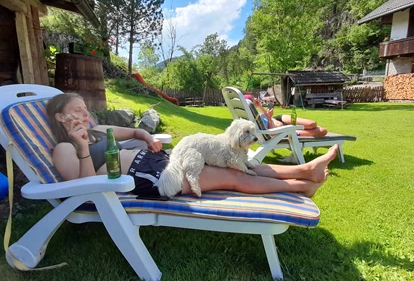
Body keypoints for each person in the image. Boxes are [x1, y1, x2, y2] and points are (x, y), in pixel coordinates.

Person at [46, 93, 339, 199]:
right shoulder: (64, 148)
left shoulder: (99, 129)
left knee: (238, 161)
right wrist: (81, 145)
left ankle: (304, 169)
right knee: (233, 177)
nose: (86, 115)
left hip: (158, 159)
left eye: (86, 110)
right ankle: (302, 186)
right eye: (78, 111)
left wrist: (148, 139)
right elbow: (82, 189)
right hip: (147, 177)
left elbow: (136, 130)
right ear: (61, 117)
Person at [244, 94, 328, 137]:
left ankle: (310, 128)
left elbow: (265, 115)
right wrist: (269, 118)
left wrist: (260, 106)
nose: (255, 99)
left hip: (279, 119)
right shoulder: (250, 122)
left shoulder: (253, 113)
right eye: (253, 100)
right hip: (283, 132)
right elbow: (270, 133)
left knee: (312, 124)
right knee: (323, 131)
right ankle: (311, 130)